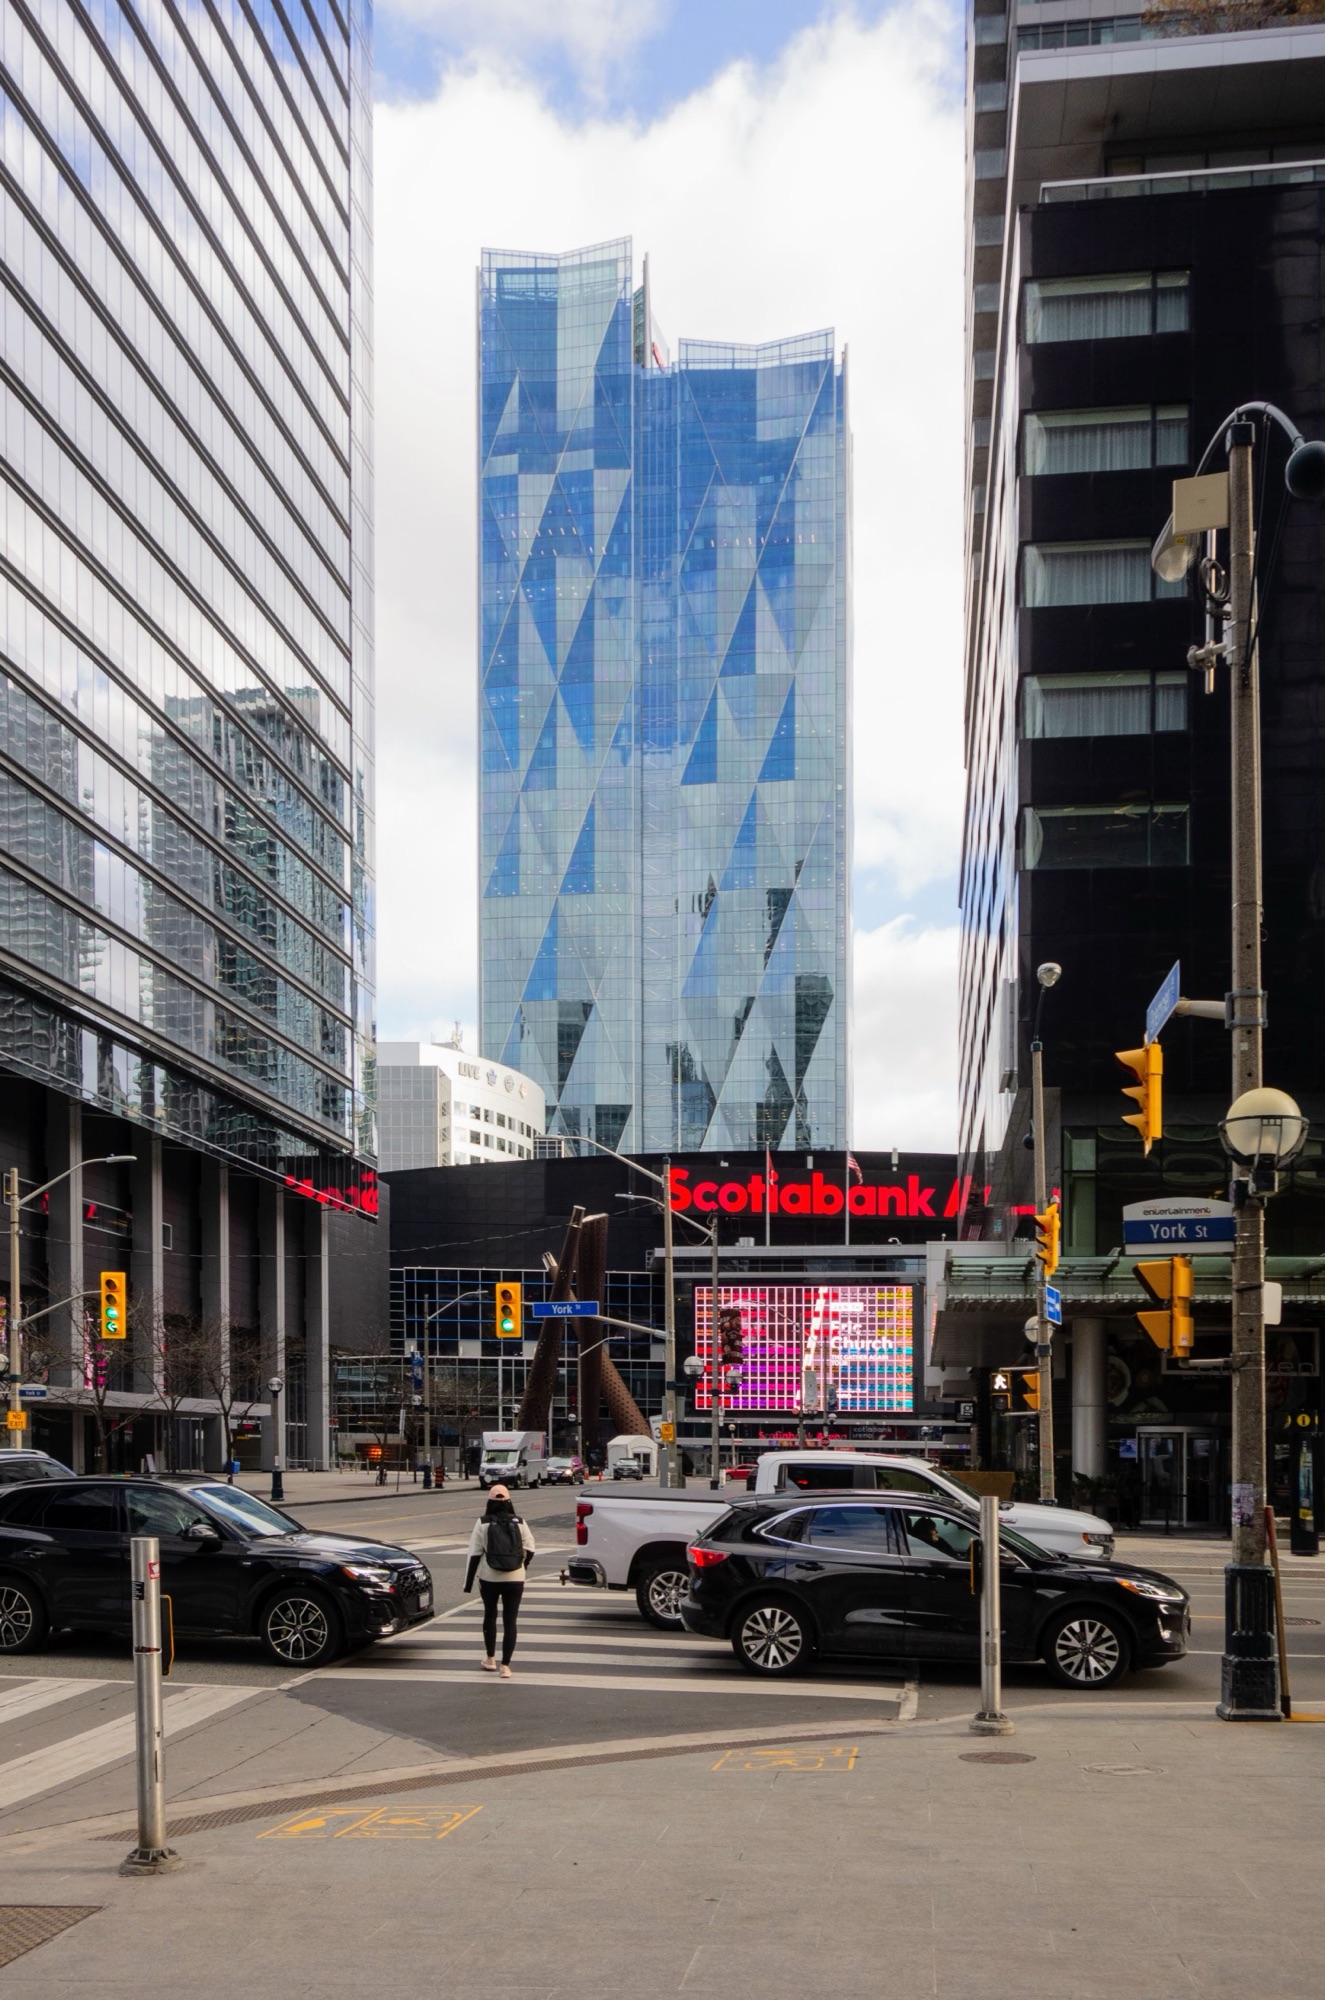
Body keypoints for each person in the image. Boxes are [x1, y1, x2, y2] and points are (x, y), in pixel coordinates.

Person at [464, 1484, 536, 1679]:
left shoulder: (483, 1522)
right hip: (515, 1578)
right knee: (510, 1621)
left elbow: (474, 1554)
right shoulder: (520, 1522)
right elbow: (530, 1549)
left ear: (489, 1501)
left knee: (490, 1615)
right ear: (509, 1501)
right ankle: (505, 1666)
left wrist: (468, 1583)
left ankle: (490, 1659)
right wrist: (522, 1567)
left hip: (489, 1577)